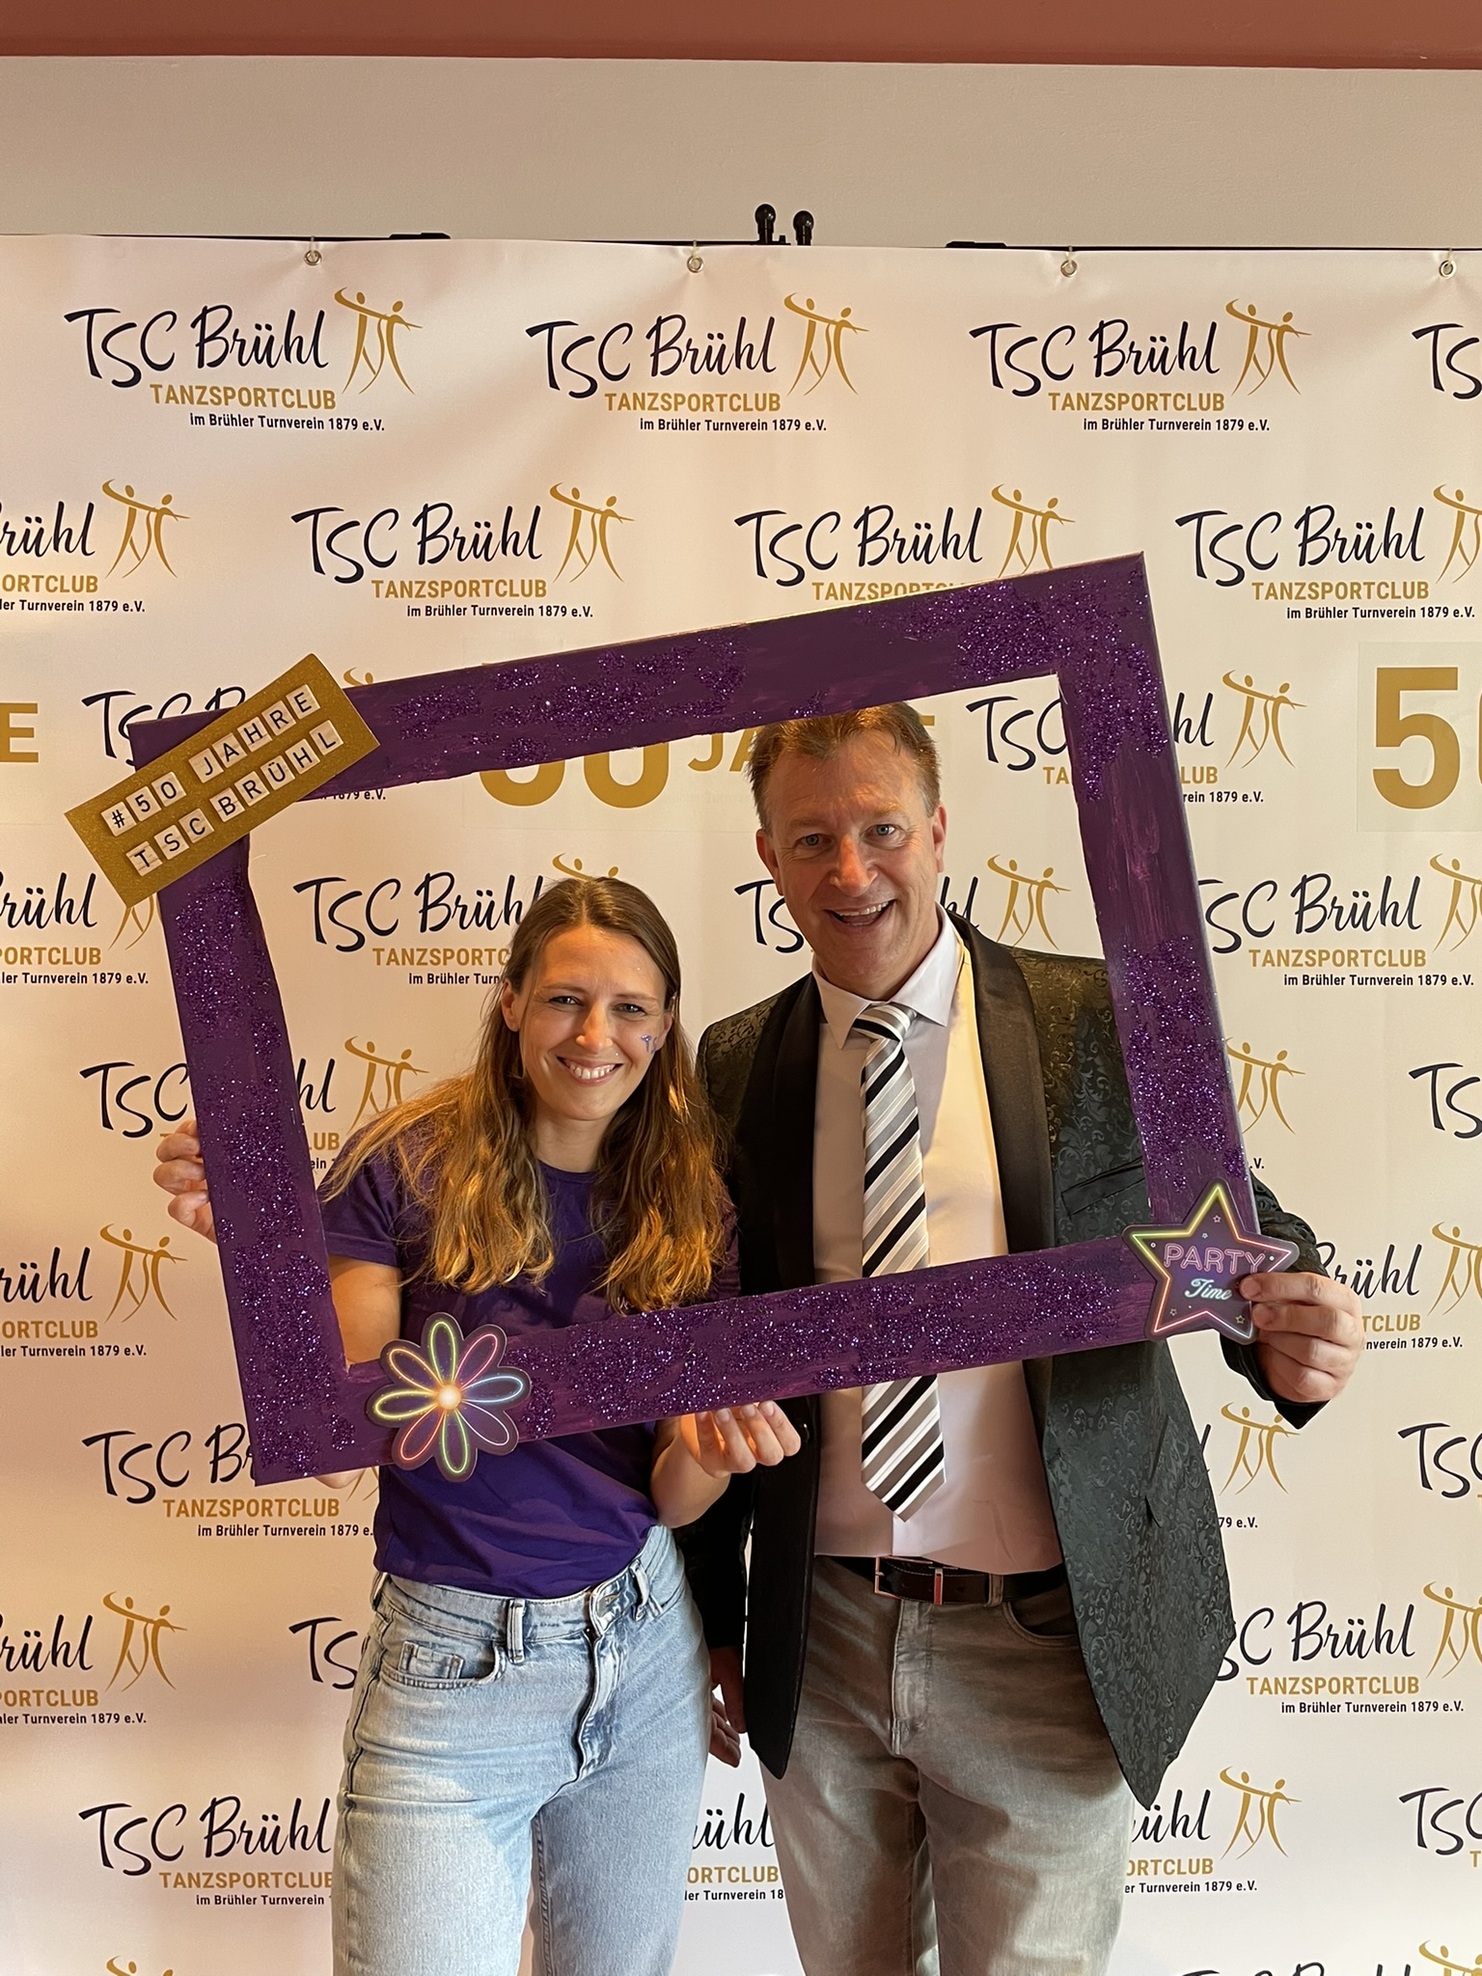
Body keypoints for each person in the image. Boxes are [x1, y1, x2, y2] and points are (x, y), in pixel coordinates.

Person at [681, 705, 1363, 1976]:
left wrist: (1292, 1321)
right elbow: (717, 1352)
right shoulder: (730, 1061)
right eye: (812, 836)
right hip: (821, 1642)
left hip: (1050, 1645)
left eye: (882, 828)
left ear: (939, 830)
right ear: (768, 855)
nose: (851, 869)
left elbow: (1241, 1231)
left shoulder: (1105, 1017)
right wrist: (714, 1616)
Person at [154, 875, 799, 1976]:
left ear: (666, 1023)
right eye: (564, 999)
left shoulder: (694, 1195)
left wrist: (703, 1447)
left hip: (641, 1642)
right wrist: (271, 1268)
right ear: (509, 1001)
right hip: (453, 1667)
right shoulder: (406, 1162)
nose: (596, 1035)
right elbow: (349, 1407)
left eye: (632, 1007)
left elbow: (673, 1488)